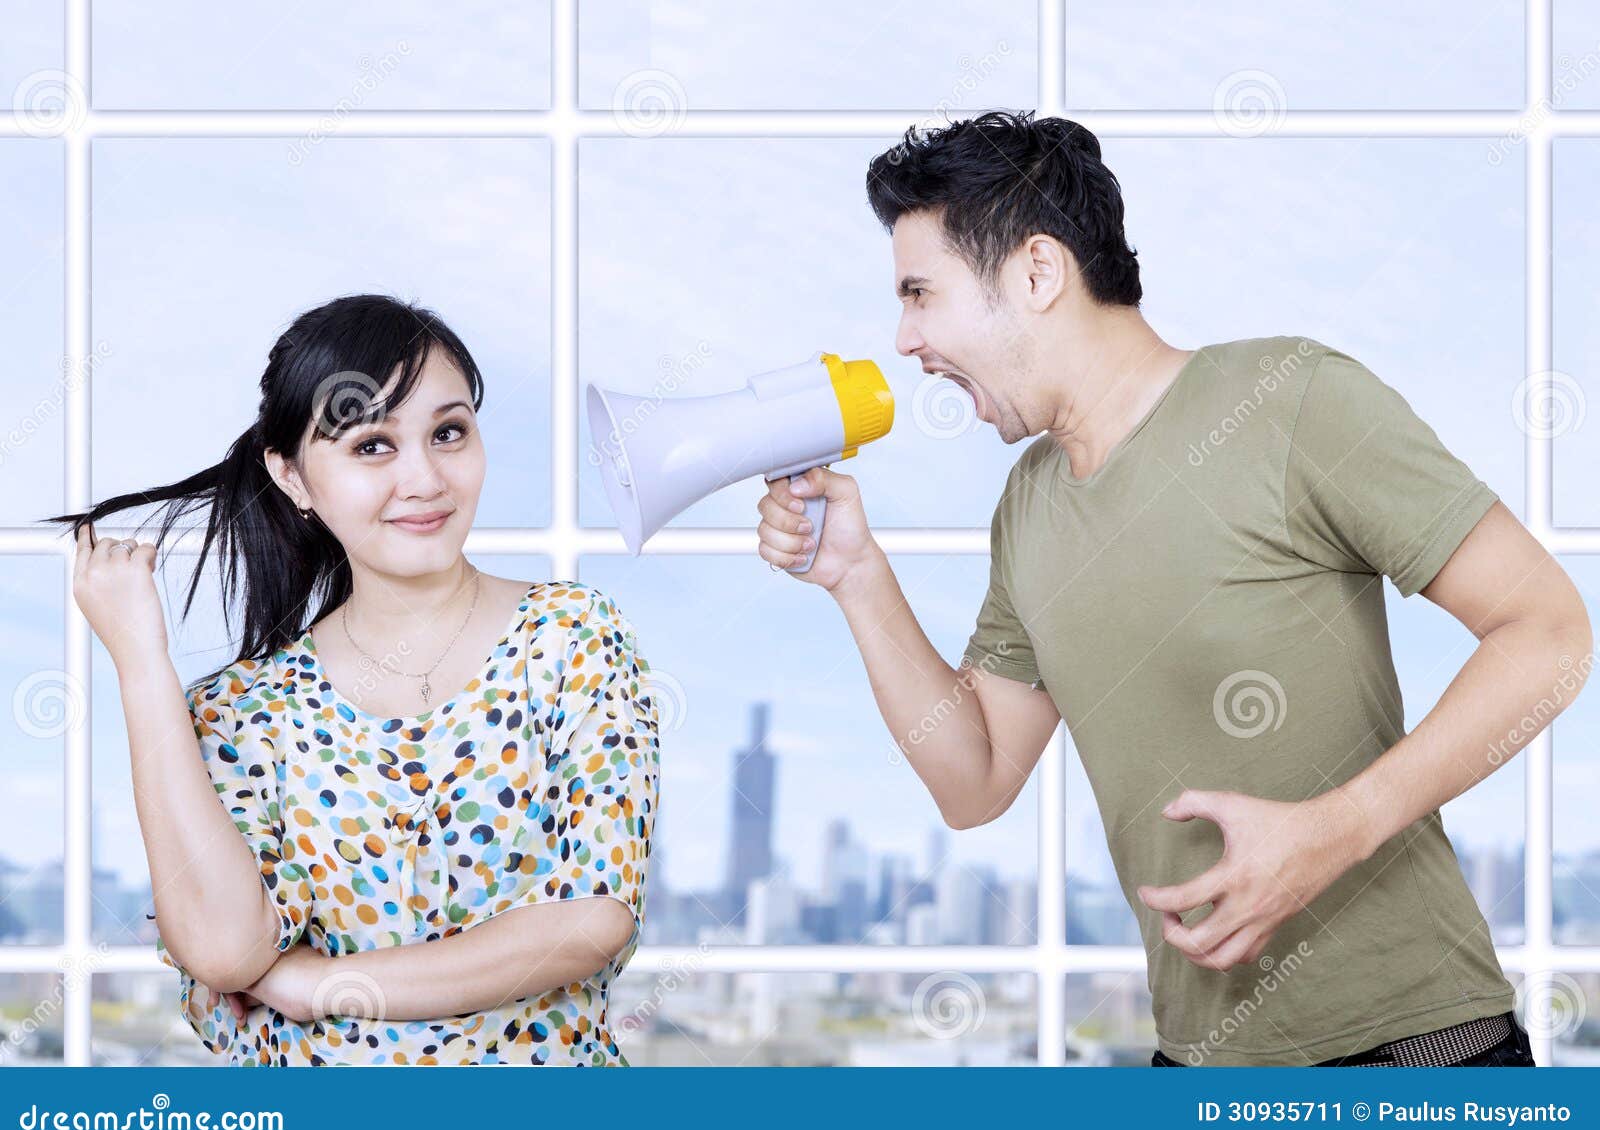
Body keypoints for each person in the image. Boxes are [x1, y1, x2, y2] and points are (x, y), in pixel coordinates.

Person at [754, 112, 1591, 1066]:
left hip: (1414, 1050)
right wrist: (856, 575)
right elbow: (974, 779)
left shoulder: (1292, 398)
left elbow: (1550, 631)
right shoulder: (1027, 507)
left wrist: (1338, 828)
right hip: (1191, 1060)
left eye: (920, 294)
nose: (904, 340)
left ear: (1037, 272)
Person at [51, 293, 659, 1065]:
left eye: (448, 432)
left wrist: (323, 986)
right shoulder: (242, 712)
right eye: (373, 445)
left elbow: (592, 920)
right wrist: (140, 661)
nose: (425, 478)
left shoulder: (572, 638)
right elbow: (224, 951)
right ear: (294, 477)